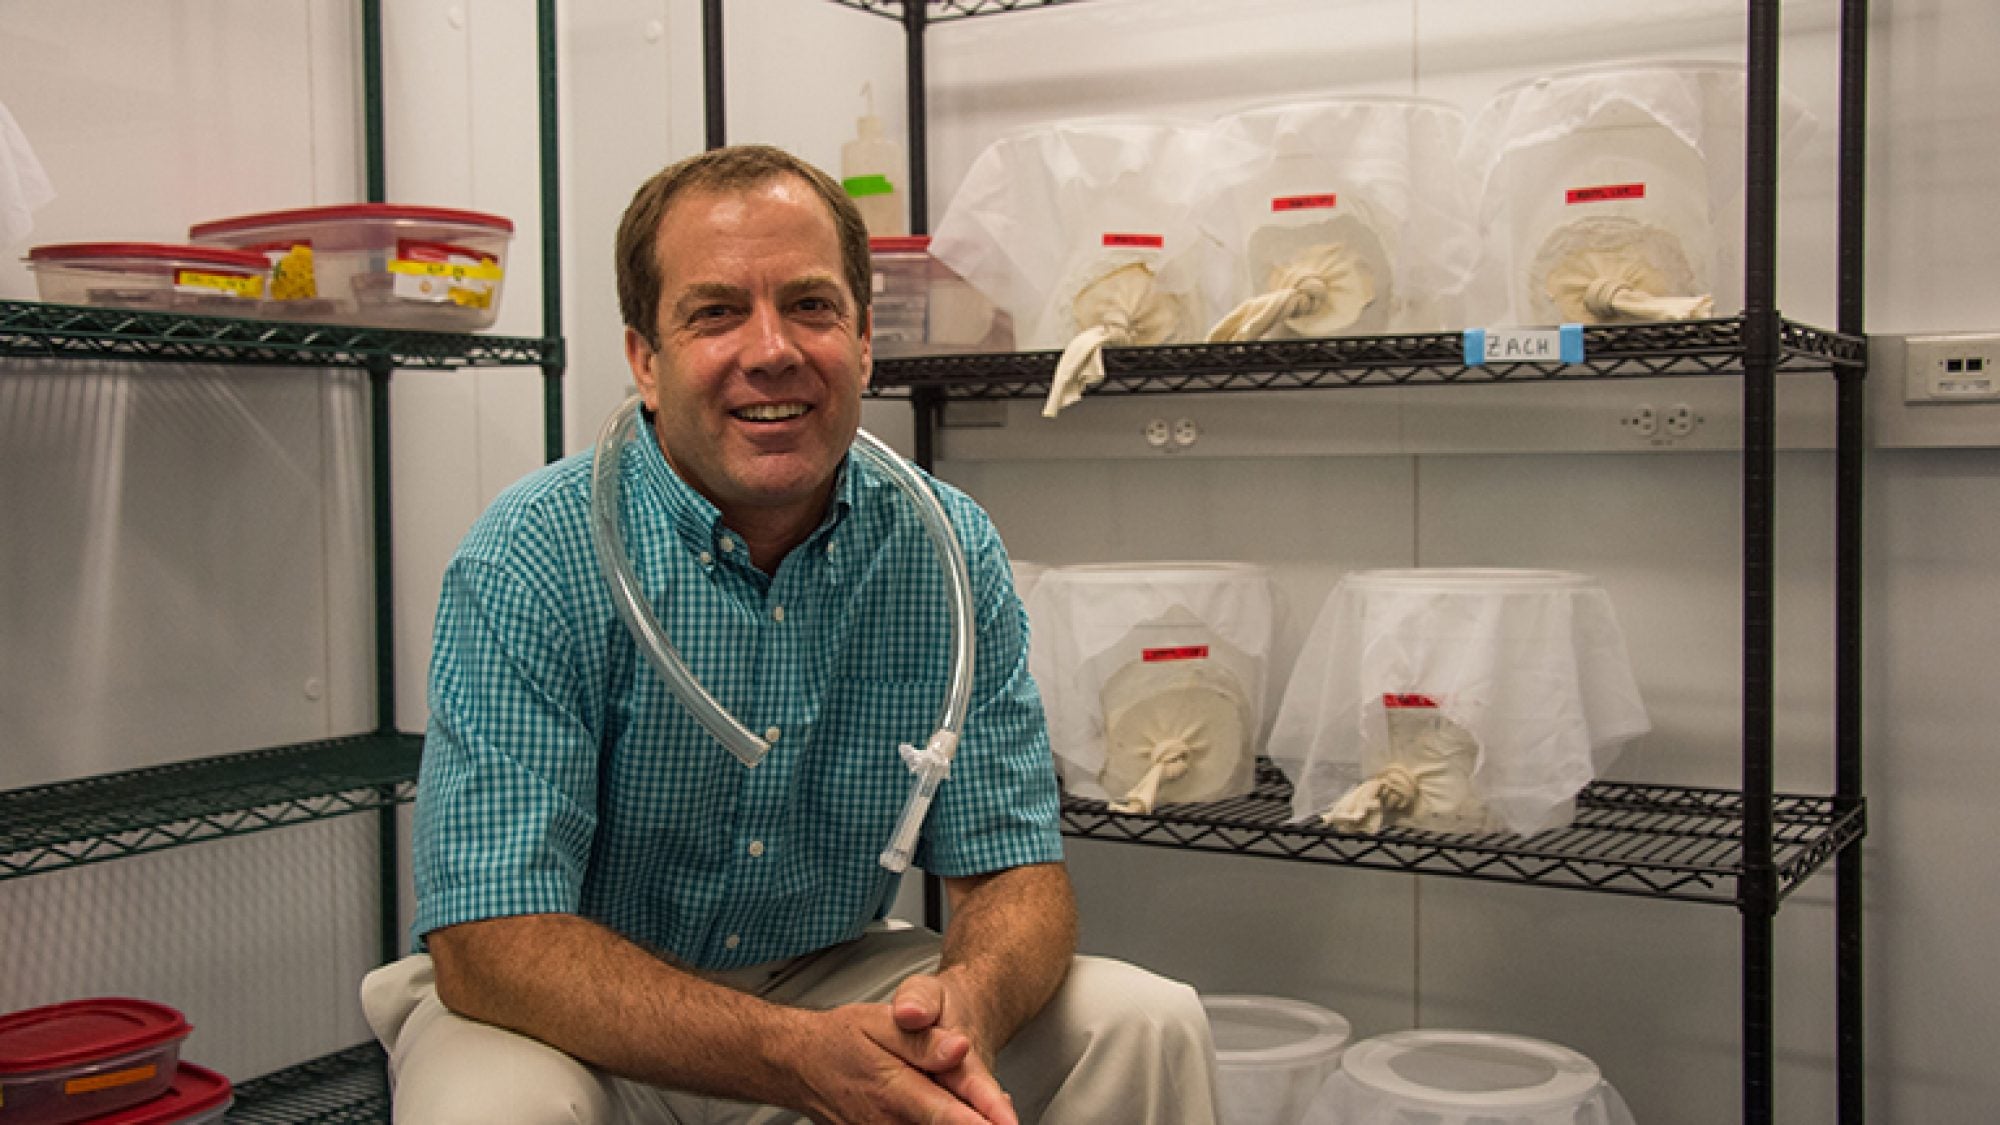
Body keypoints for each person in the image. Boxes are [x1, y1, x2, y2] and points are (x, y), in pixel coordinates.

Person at [360, 144, 1220, 1124]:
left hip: (826, 976)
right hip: (570, 1014)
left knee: (1145, 1023)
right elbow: (489, 941)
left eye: (810, 306)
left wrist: (961, 1014)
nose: (771, 349)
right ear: (646, 359)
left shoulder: (944, 552)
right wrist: (789, 1057)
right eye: (715, 312)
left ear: (862, 343)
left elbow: (1015, 875)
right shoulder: (534, 556)